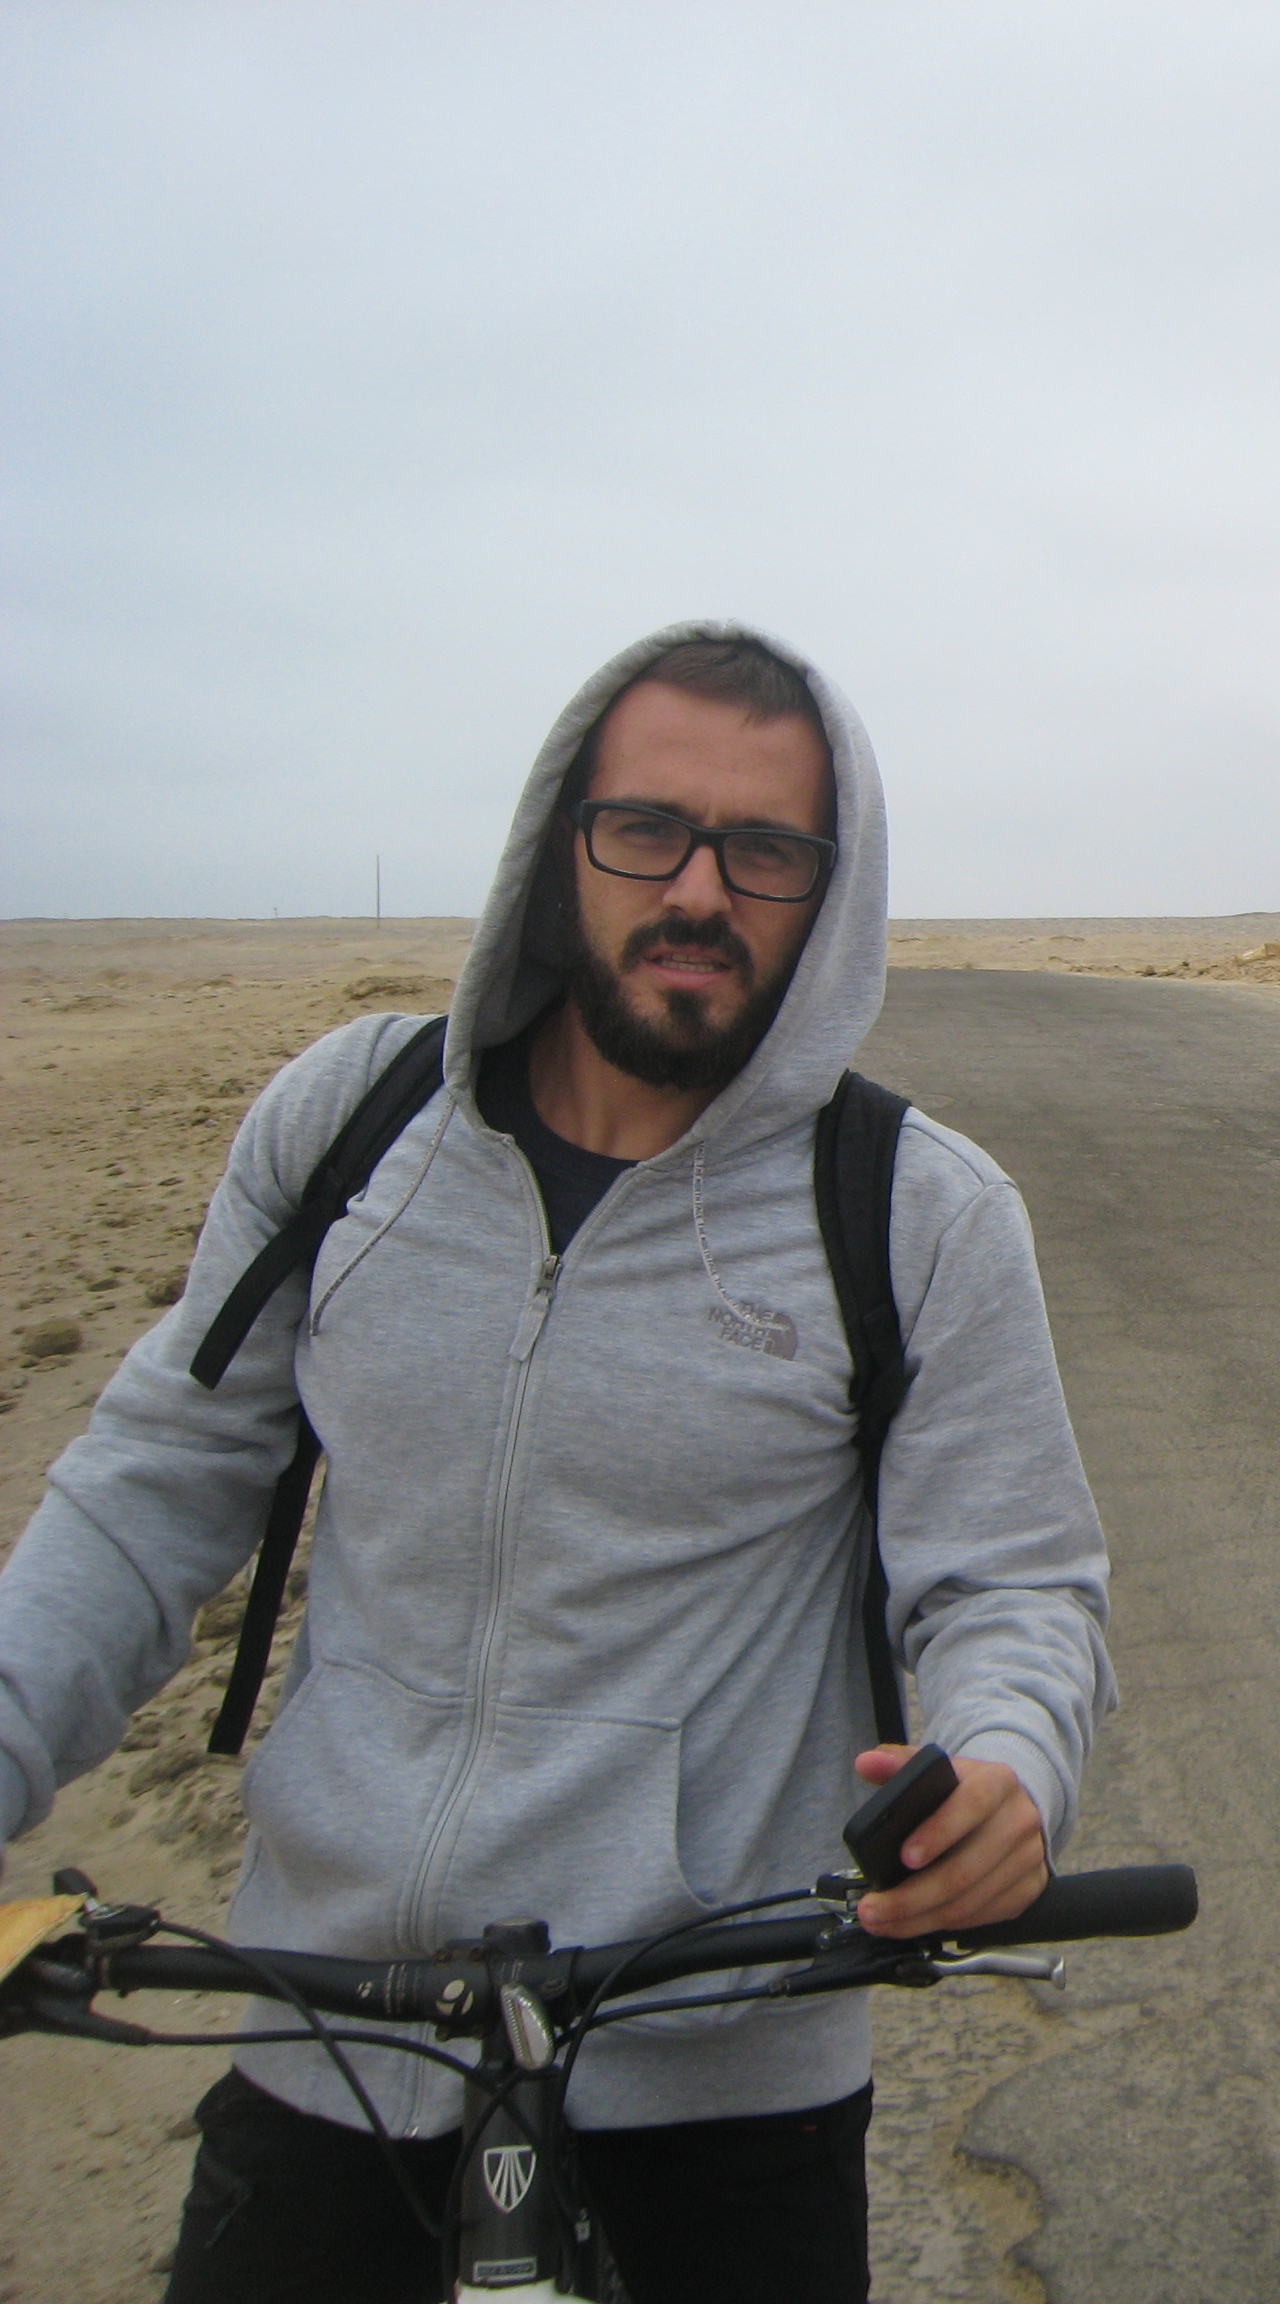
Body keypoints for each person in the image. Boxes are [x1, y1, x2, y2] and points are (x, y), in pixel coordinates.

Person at [0, 624, 1114, 2302]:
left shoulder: (917, 1212)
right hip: (328, 2037)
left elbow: (1014, 1581)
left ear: (833, 892)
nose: (699, 891)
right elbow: (156, 1481)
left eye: (766, 851)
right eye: (647, 829)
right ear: (558, 843)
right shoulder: (349, 1126)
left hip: (721, 2085)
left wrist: (1008, 1768)